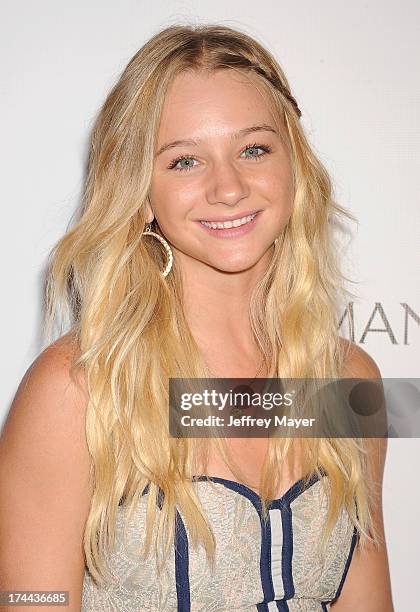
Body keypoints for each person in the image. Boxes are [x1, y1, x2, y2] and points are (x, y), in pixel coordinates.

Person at [0, 24, 394, 611]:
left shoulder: (348, 382)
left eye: (254, 149)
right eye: (185, 161)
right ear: (140, 190)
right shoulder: (77, 392)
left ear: (294, 166)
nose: (229, 187)